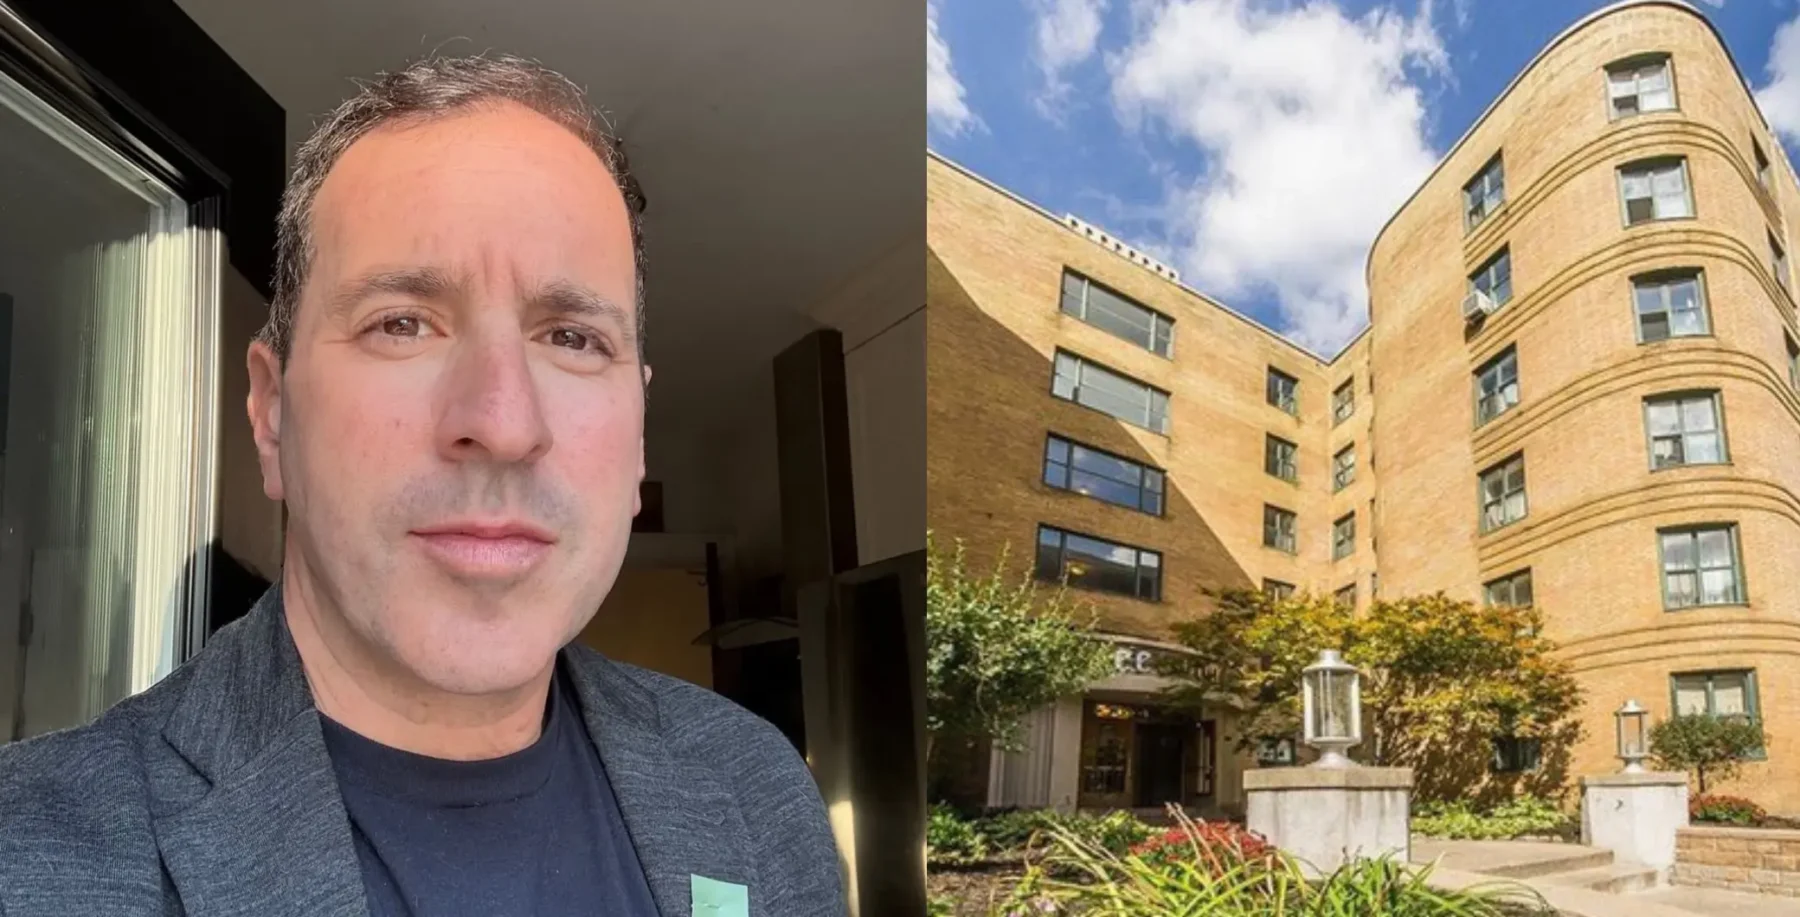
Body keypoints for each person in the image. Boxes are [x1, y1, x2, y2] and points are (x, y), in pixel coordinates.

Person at [0, 54, 843, 916]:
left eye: (574, 337)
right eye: (401, 323)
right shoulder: (29, 854)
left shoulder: (753, 788)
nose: (505, 423)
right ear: (271, 411)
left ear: (636, 439)